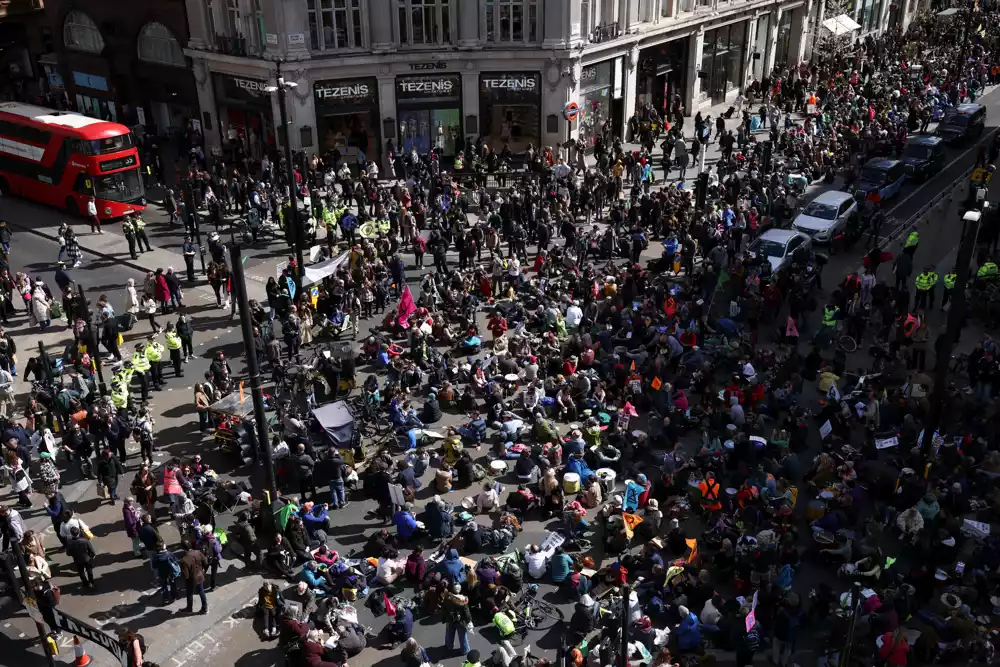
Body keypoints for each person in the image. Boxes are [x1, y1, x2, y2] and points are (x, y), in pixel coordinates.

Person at [180, 539, 209, 614]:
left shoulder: (184, 560)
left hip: (192, 579)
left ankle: (189, 608)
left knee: (189, 594)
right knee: (201, 591)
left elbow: (186, 575)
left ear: (183, 548)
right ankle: (205, 608)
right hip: (200, 575)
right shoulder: (198, 552)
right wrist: (203, 571)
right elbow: (206, 563)